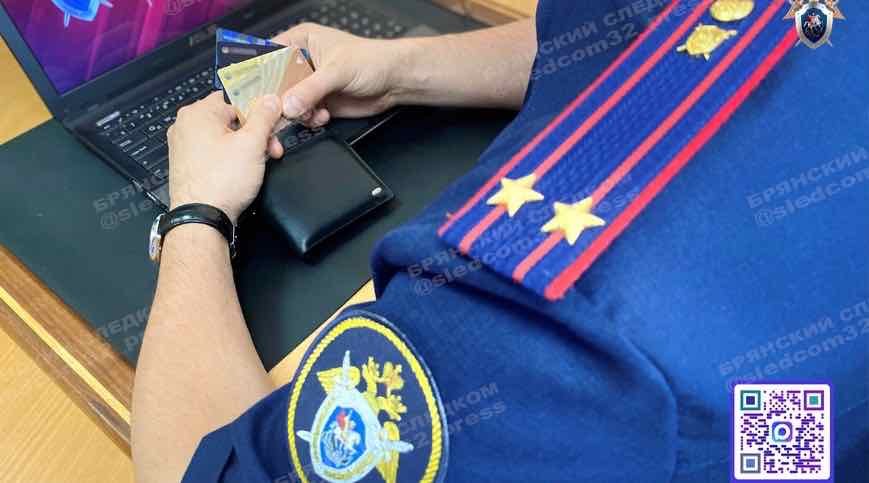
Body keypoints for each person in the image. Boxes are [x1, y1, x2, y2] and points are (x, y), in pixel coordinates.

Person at [131, 1, 868, 482]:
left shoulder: (551, 314)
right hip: (798, 430)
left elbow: (204, 469)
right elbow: (649, 29)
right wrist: (402, 71)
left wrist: (197, 212)